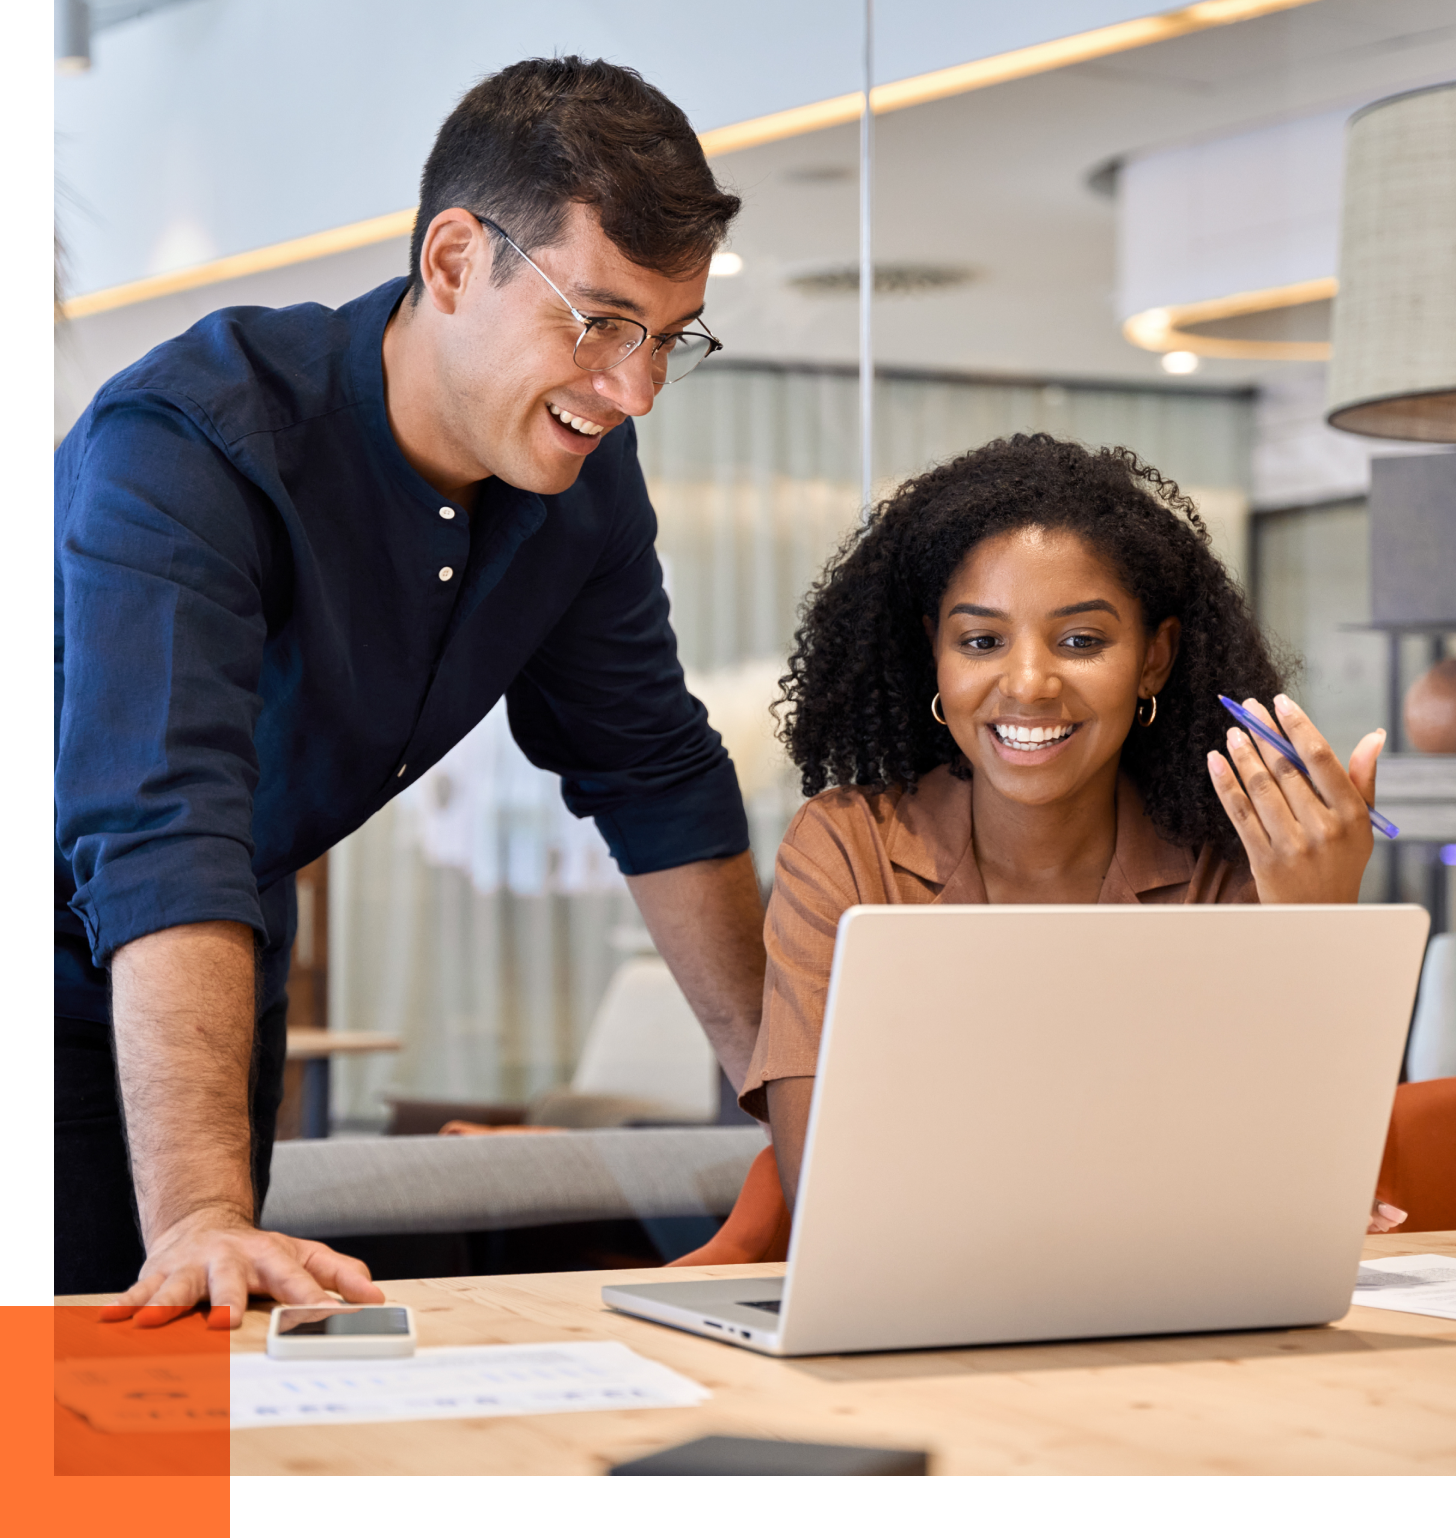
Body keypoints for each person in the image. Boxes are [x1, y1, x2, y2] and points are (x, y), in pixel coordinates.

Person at [54, 58, 769, 1322]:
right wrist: (204, 1211)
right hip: (123, 926)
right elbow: (165, 823)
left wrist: (798, 1112)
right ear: (453, 263)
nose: (634, 387)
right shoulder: (190, 443)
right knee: (61, 1416)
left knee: (152, 1436)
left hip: (214, 954)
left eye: (668, 339)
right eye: (600, 322)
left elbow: (653, 773)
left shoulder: (580, 488)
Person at [675, 434, 1399, 1266]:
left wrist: (1316, 927)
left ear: (1152, 659)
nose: (1027, 683)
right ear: (934, 657)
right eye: (980, 642)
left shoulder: (1229, 860)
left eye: (1081, 642)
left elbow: (1299, 1195)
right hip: (921, 1313)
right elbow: (830, 1199)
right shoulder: (847, 848)